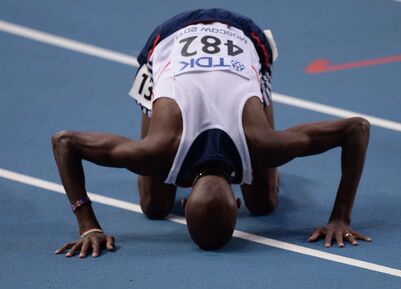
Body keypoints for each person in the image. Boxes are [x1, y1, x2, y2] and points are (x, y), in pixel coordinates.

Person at [52, 8, 371, 257]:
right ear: (234, 200)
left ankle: (248, 101)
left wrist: (88, 227)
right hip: (173, 42)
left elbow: (65, 142)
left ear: (187, 196)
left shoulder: (164, 149)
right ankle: (233, 102)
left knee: (258, 203)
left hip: (232, 37)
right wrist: (87, 225)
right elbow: (64, 142)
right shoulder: (249, 144)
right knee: (154, 206)